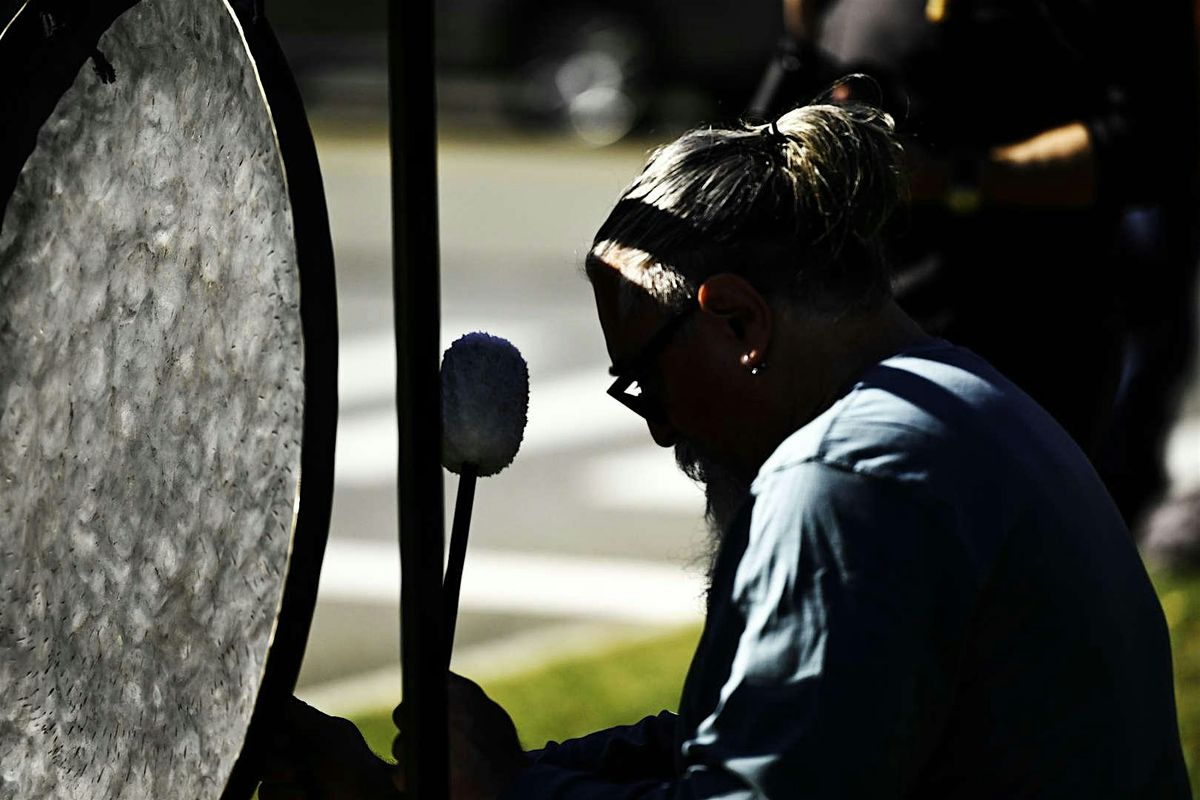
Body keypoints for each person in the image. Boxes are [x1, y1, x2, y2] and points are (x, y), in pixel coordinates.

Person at [259, 101, 1191, 799]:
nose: (661, 429)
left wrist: (510, 792)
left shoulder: (844, 481)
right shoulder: (957, 399)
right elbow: (746, 736)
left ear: (740, 321)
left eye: (645, 380)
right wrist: (489, 775)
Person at [748, 0, 1200, 529]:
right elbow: (774, 128)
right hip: (848, 331)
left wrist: (957, 179)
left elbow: (1151, 142)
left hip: (1025, 337)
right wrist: (801, 42)